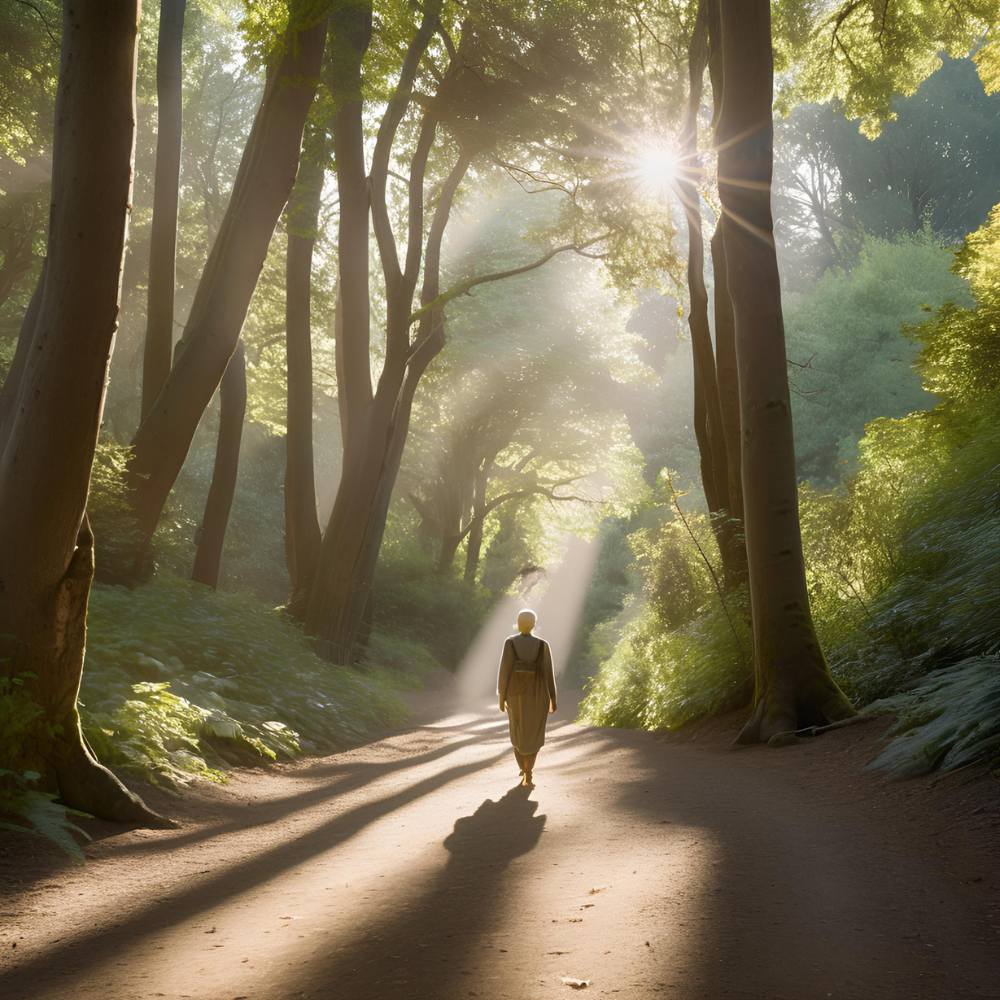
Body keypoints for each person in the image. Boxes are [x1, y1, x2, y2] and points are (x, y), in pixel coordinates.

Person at [496, 608, 557, 787]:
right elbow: (549, 673)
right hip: (538, 696)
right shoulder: (542, 645)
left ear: (519, 623)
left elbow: (504, 671)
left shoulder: (510, 643)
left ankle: (523, 769)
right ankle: (529, 771)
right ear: (534, 624)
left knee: (518, 732)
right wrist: (553, 698)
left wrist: (501, 697)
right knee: (534, 734)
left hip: (515, 695)